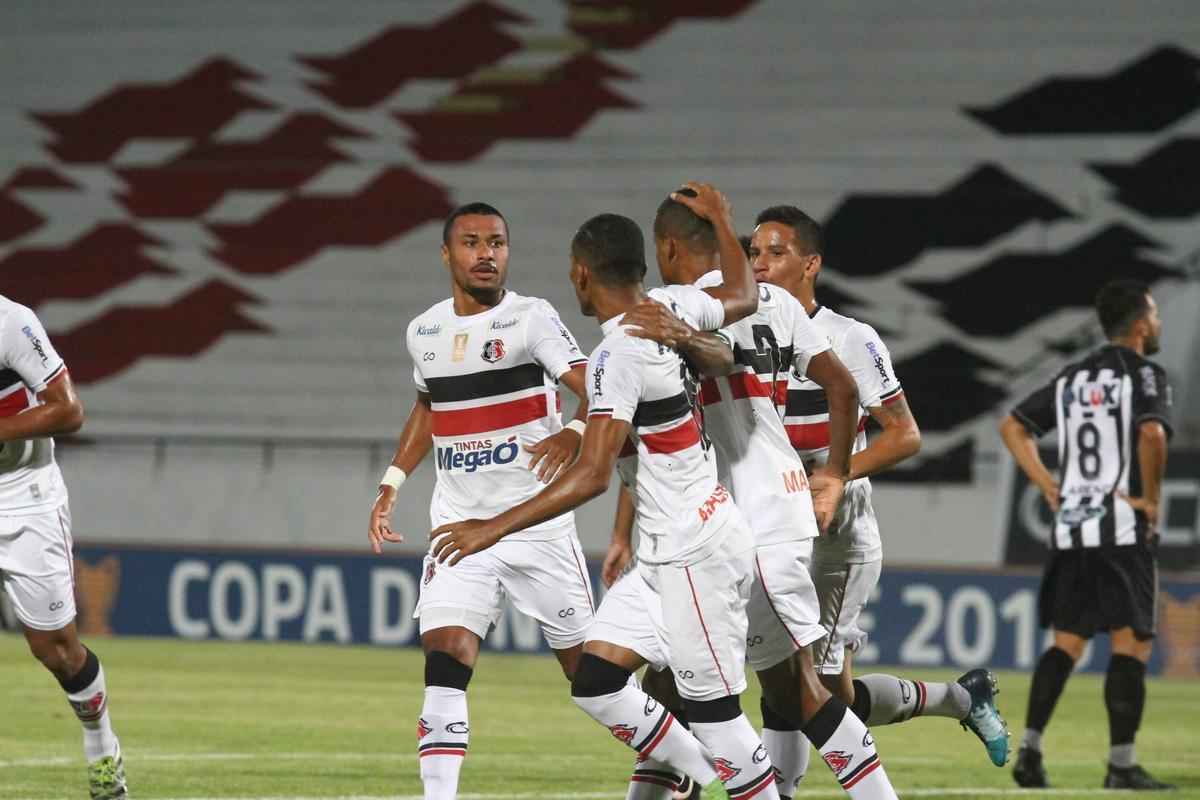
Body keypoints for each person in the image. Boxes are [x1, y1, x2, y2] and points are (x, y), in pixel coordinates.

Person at [429, 189, 780, 799]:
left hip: (695, 550)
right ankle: (692, 775)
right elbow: (743, 295)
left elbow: (593, 475)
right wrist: (724, 222)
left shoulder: (616, 354)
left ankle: (737, 779)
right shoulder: (670, 305)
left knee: (721, 720)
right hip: (663, 550)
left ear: (583, 274)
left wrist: (490, 528)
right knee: (596, 682)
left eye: (573, 274)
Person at [607, 190, 899, 800]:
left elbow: (712, 361)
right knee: (667, 681)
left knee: (795, 689)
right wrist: (833, 474)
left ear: (666, 248)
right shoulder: (779, 304)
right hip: (745, 515)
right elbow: (841, 391)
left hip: (744, 516)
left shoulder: (681, 307)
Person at [753, 204, 1010, 779]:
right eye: (754, 253)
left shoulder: (849, 337)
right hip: (774, 528)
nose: (761, 264)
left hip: (835, 537)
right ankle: (962, 699)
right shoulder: (748, 336)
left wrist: (833, 474)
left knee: (798, 687)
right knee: (822, 696)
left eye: (777, 252)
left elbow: (905, 435)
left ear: (811, 263)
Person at [368, 202, 595, 799]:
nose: (486, 254)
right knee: (445, 658)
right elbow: (427, 407)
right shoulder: (424, 331)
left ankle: (682, 760)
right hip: (460, 526)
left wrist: (572, 433)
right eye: (471, 242)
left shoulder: (532, 319)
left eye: (496, 242)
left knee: (593, 680)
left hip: (534, 523)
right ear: (447, 254)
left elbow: (598, 388)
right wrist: (392, 482)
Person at [1001, 279, 1174, 791]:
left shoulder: (1075, 377)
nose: (1159, 324)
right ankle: (1121, 764)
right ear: (1141, 324)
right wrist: (1152, 500)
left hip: (1073, 526)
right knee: (1131, 644)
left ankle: (1029, 752)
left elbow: (1013, 425)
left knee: (1068, 643)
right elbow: (1151, 432)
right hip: (1121, 526)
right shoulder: (1144, 374)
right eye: (1156, 315)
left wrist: (1049, 485)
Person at [0, 295, 127, 799]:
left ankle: (102, 747)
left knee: (57, 652)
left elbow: (69, 411)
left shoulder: (11, 322)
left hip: (23, 496)